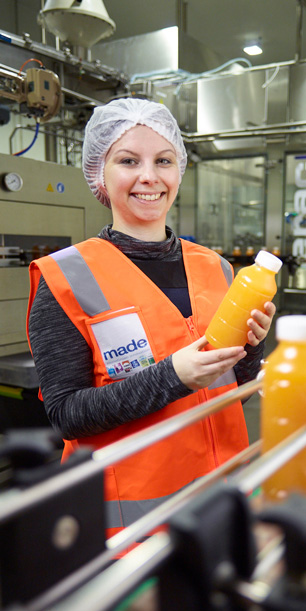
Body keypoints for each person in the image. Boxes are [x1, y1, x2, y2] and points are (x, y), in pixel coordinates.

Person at [27, 98, 275, 540]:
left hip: (218, 507)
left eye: (163, 160)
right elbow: (67, 415)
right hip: (127, 530)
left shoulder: (217, 269)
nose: (149, 176)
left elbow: (230, 394)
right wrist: (172, 377)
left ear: (179, 171)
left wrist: (253, 348)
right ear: (99, 173)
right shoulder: (66, 277)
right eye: (128, 160)